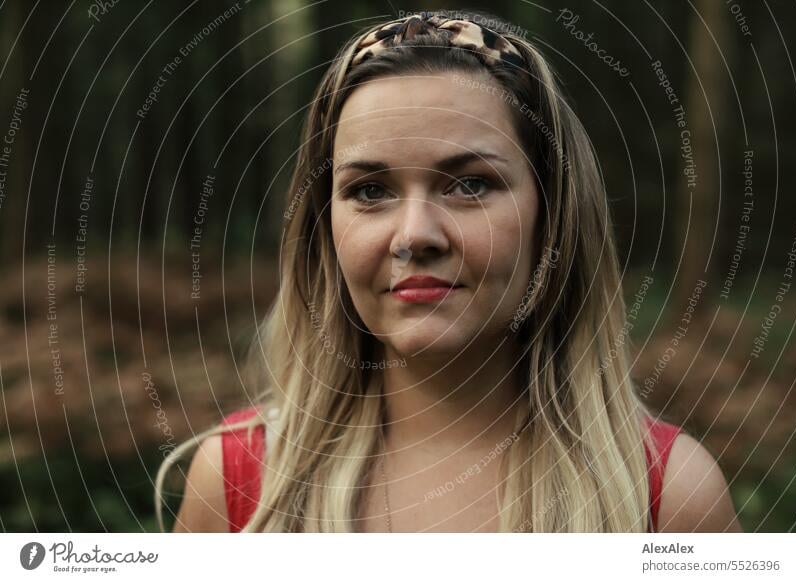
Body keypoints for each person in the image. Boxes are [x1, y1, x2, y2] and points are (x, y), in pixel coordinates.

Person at [155, 9, 741, 533]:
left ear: (553, 214)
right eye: (370, 190)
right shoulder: (239, 485)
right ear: (323, 227)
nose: (415, 237)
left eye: (470, 184)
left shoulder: (668, 501)